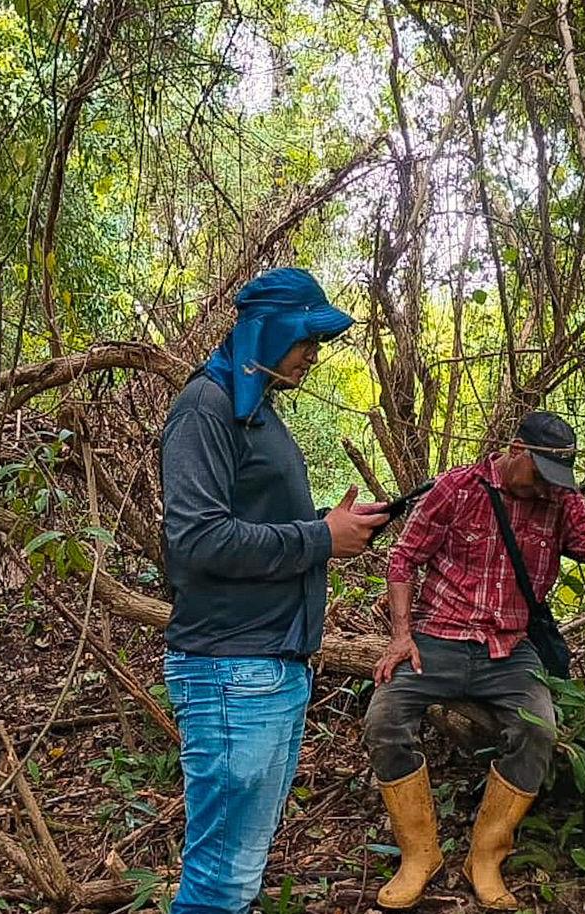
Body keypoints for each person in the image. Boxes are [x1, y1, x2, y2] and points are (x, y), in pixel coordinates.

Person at [161, 267, 388, 914]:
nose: (314, 356)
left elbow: (249, 525)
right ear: (271, 332)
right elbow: (198, 540)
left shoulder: (255, 408)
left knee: (242, 869)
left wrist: (330, 526)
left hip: (272, 668)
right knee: (220, 880)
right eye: (306, 341)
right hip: (231, 672)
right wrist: (320, 541)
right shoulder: (205, 409)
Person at [362, 411, 585, 910]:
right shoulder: (459, 487)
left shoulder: (560, 498)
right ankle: (419, 854)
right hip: (439, 636)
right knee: (385, 717)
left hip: (510, 647)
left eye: (557, 479)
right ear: (516, 450)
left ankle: (486, 856)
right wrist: (401, 636)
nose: (546, 488)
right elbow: (403, 558)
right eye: (540, 474)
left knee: (539, 730)